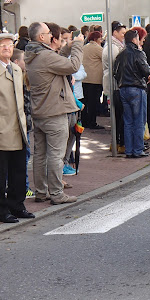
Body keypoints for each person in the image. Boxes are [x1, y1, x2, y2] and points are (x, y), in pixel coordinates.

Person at [25, 22, 84, 204]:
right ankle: (57, 194)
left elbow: (57, 59)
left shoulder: (33, 54)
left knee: (40, 155)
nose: (51, 35)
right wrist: (78, 45)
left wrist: (67, 47)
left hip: (40, 112)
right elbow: (73, 66)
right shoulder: (45, 56)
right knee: (56, 156)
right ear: (41, 37)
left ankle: (41, 192)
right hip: (54, 112)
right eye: (48, 33)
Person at [0, 33, 34, 223]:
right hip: (2, 129)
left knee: (18, 171)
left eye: (9, 45)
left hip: (18, 128)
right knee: (1, 173)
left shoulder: (16, 69)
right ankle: (2, 210)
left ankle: (17, 205)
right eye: (2, 45)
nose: (6, 48)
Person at [114, 30, 150, 158]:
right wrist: (147, 75)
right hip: (136, 88)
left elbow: (115, 72)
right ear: (134, 40)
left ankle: (129, 150)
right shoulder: (138, 53)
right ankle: (138, 149)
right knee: (139, 120)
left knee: (128, 121)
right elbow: (145, 69)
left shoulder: (120, 54)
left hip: (123, 88)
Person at [11, 48, 35, 199]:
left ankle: (22, 186)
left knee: (23, 156)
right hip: (21, 124)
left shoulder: (24, 78)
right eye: (23, 60)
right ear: (16, 62)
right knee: (23, 157)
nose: (26, 63)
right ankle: (24, 187)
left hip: (24, 123)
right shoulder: (18, 79)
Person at [102, 21, 126, 154]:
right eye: (121, 33)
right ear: (114, 32)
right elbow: (116, 67)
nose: (123, 35)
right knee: (118, 116)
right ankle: (117, 143)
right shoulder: (113, 47)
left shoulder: (115, 46)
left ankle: (117, 143)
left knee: (118, 116)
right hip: (115, 85)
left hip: (114, 84)